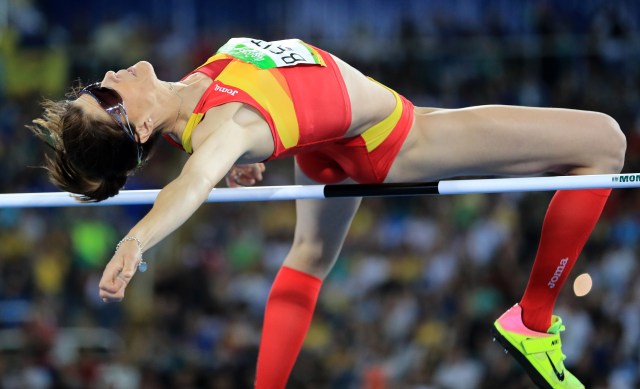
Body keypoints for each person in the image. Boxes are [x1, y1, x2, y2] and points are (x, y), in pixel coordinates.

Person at [29, 37, 626, 389]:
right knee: (604, 141)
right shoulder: (224, 128)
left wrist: (246, 152)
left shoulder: (199, 109)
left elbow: (222, 138)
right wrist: (135, 241)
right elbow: (193, 184)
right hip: (396, 139)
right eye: (105, 98)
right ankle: (533, 321)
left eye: (94, 85)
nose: (108, 77)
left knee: (310, 258)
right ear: (136, 126)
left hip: (326, 150)